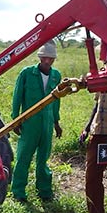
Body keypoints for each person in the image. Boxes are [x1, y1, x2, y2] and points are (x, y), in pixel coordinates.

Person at [10, 41, 63, 202]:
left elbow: (56, 101)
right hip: (30, 122)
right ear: (40, 57)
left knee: (43, 159)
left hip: (46, 123)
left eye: (51, 59)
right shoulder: (27, 73)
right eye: (45, 58)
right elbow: (17, 96)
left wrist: (56, 122)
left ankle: (45, 191)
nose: (47, 61)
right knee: (24, 157)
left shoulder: (56, 76)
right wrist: (15, 120)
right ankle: (18, 191)